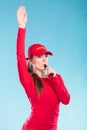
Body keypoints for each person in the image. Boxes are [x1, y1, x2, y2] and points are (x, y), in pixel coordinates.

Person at [16, 6, 70, 130]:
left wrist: (55, 78)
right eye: (40, 56)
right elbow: (19, 56)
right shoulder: (28, 80)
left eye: (46, 55)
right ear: (30, 60)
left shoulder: (56, 78)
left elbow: (66, 100)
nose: (45, 59)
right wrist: (22, 27)